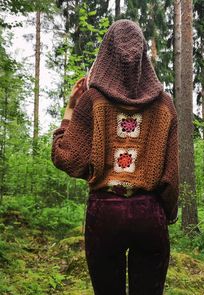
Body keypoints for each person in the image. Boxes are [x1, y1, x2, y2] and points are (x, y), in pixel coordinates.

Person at [51, 19, 179, 295]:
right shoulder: (165, 105)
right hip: (149, 213)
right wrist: (165, 214)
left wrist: (71, 108)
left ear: (106, 54)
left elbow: (66, 157)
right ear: (142, 55)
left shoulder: (93, 100)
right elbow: (170, 175)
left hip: (104, 214)